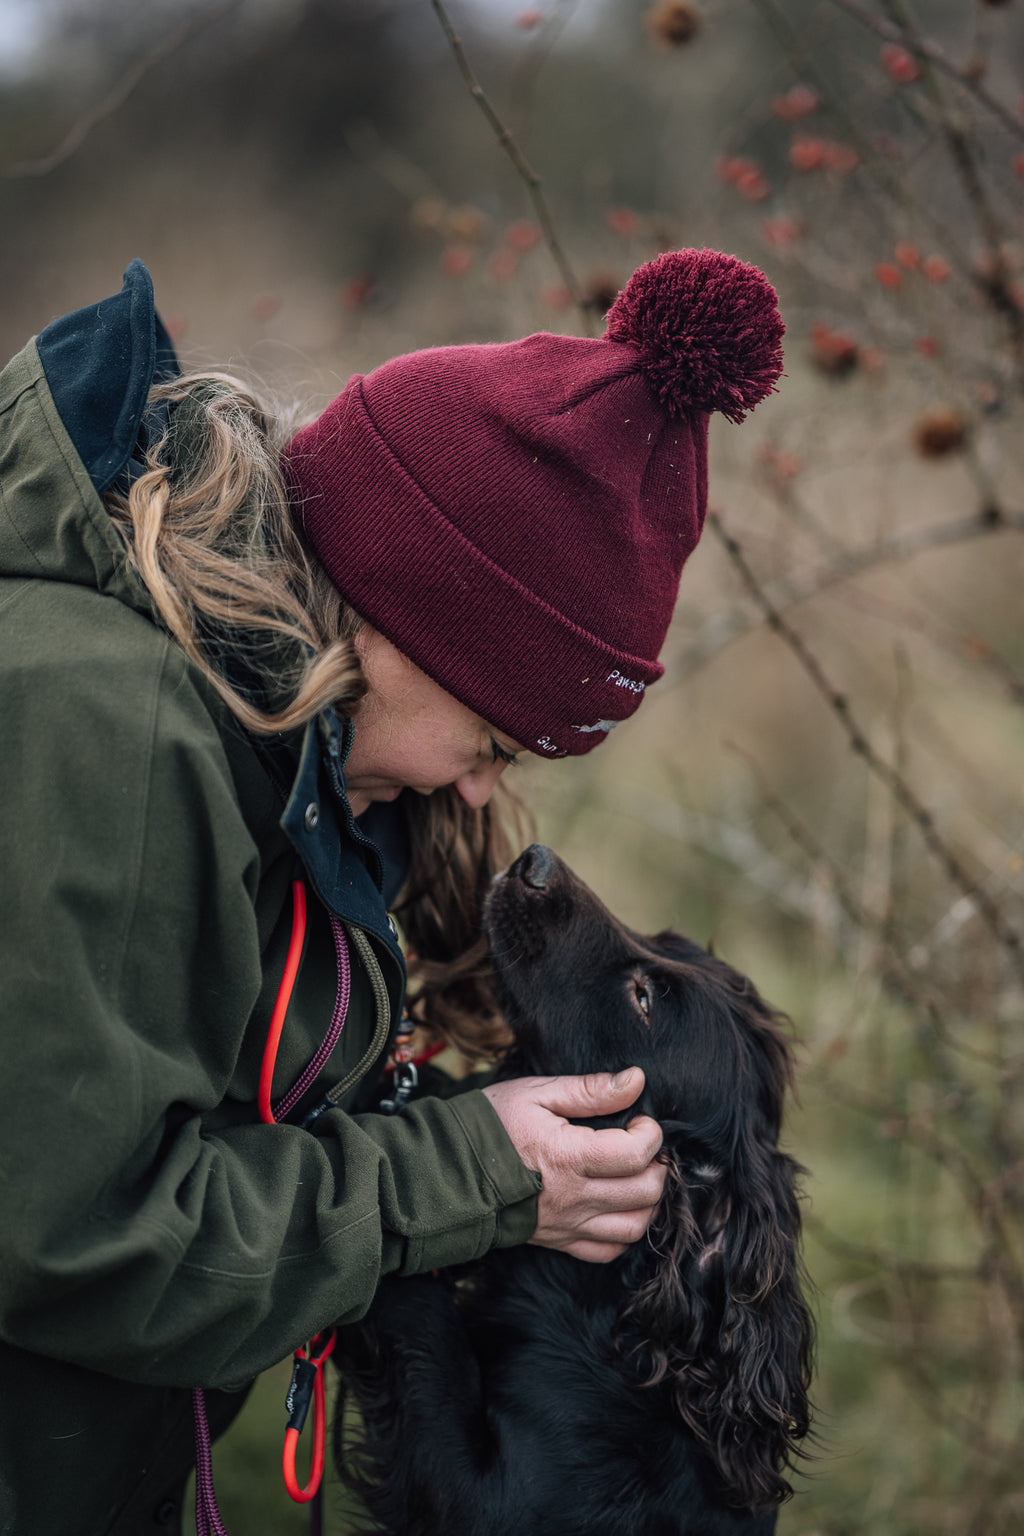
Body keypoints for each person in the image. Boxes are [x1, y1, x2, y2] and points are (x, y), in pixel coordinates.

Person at [0, 248, 784, 1535]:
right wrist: (470, 1175)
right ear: (402, 621)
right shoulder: (112, 734)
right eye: (494, 740)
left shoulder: (268, 747)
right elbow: (80, 1239)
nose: (482, 797)